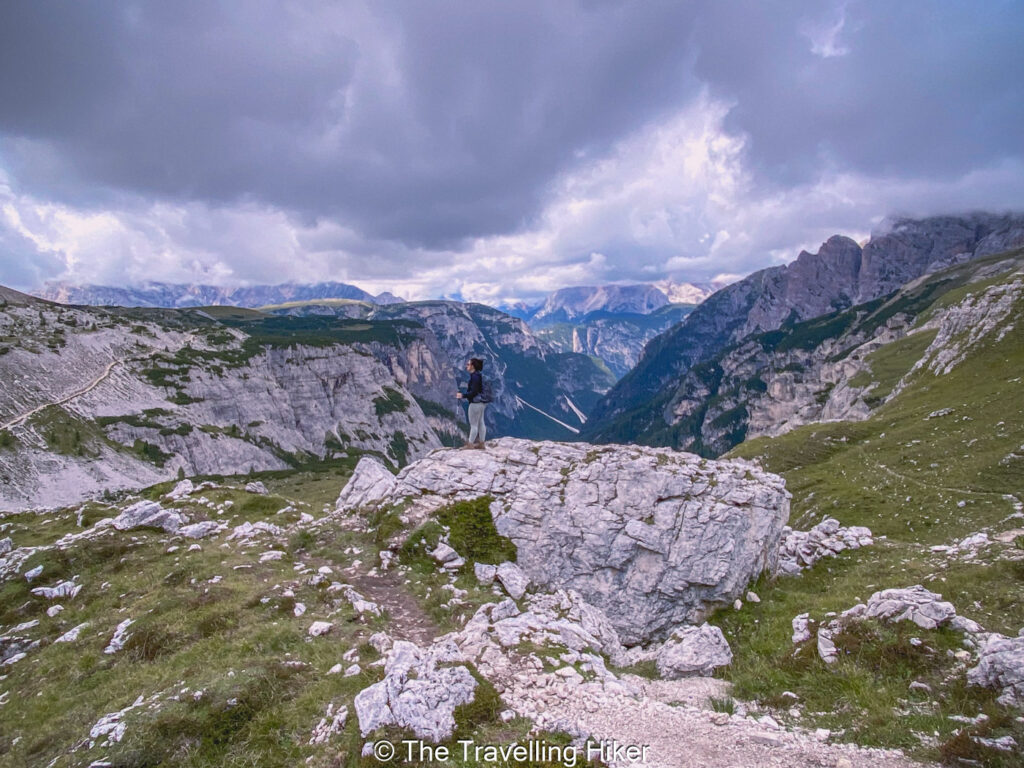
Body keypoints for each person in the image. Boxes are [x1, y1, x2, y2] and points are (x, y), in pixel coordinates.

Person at [455, 357, 487, 449]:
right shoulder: (478, 375)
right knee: (481, 422)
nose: (466, 366)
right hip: (481, 403)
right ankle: (481, 443)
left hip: (475, 404)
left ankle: (470, 444)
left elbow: (473, 392)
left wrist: (463, 395)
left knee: (473, 425)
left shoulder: (474, 377)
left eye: (468, 364)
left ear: (473, 366)